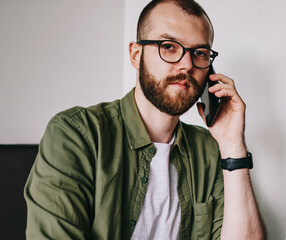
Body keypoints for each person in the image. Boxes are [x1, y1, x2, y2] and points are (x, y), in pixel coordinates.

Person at [24, 0, 266, 239]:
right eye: (169, 46)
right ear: (136, 55)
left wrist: (232, 144)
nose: (187, 64)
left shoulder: (210, 149)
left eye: (199, 53)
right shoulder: (75, 135)